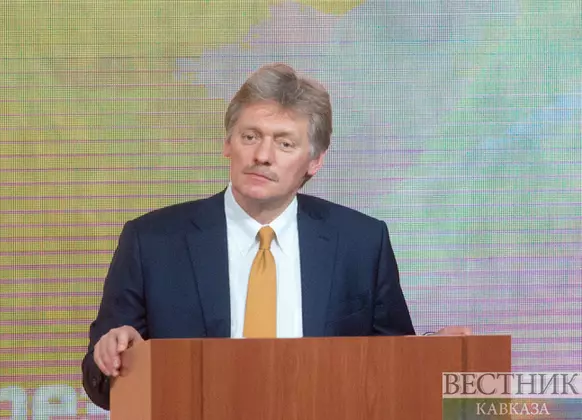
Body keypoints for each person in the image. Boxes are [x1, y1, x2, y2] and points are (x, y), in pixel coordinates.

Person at [81, 63, 469, 410]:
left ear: (314, 161)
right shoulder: (152, 241)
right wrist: (114, 358)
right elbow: (99, 386)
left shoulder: (361, 242)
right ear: (228, 144)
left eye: (284, 143)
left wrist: (429, 354)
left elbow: (390, 367)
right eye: (250, 137)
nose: (263, 156)